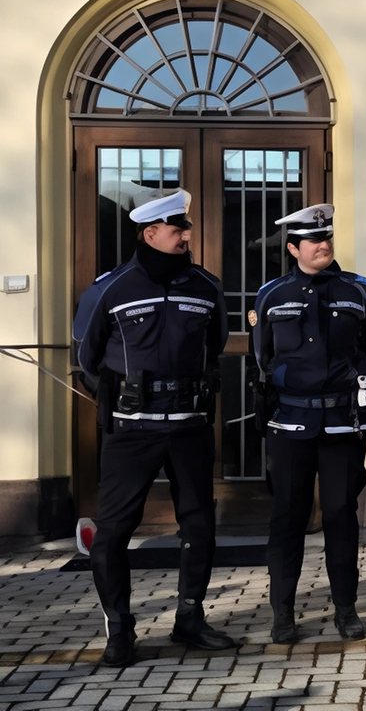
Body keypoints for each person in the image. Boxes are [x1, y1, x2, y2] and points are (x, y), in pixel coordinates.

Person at [71, 189, 234, 667]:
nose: (187, 234)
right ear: (150, 233)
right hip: (132, 430)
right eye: (178, 228)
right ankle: (120, 630)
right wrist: (124, 396)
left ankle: (190, 617)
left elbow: (217, 342)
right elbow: (86, 357)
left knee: (199, 524)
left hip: (189, 425)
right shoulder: (110, 289)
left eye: (186, 227)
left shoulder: (205, 286)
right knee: (115, 530)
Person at [251, 203, 366, 644]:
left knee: (341, 517)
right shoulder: (271, 295)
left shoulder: (359, 291)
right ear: (293, 248)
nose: (323, 245)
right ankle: (283, 614)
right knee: (287, 519)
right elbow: (262, 356)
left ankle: (346, 609)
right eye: (313, 240)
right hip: (290, 423)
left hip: (342, 423)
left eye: (326, 237)